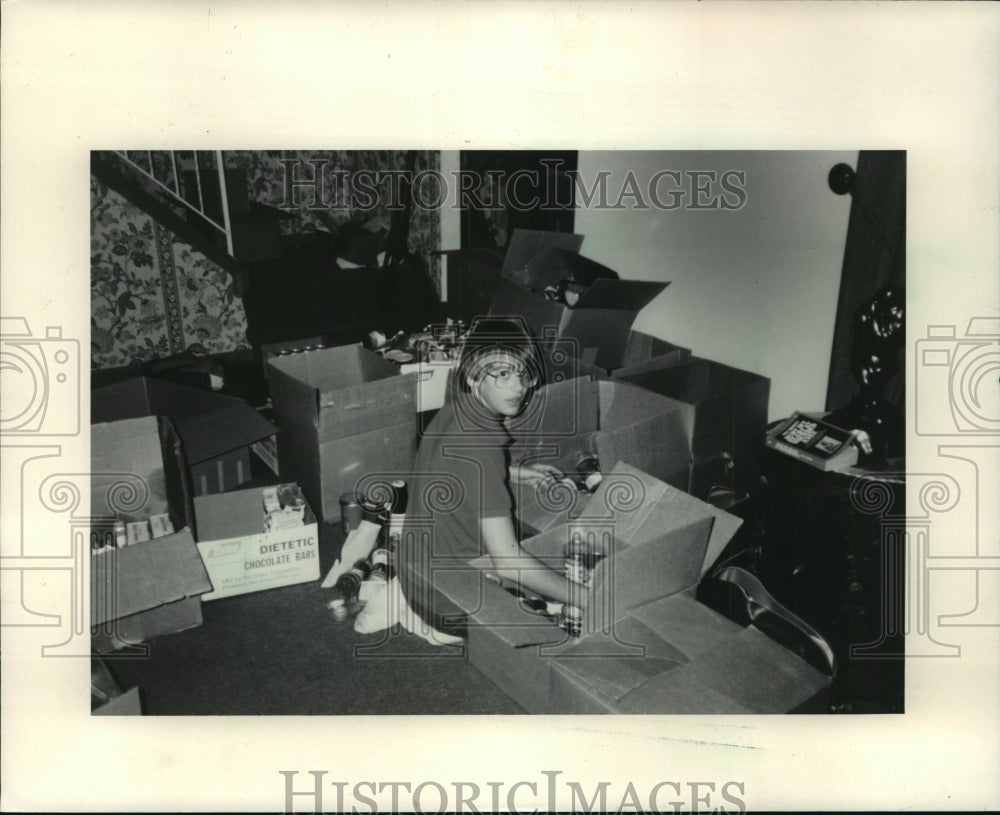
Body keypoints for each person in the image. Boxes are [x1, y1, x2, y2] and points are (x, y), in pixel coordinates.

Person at [354, 317, 584, 644]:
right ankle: (429, 626)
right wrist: (590, 599)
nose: (519, 387)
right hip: (450, 604)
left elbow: (448, 468)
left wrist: (512, 472)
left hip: (413, 574)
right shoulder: (483, 447)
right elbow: (508, 563)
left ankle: (405, 603)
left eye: (524, 373)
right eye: (503, 373)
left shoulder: (457, 409)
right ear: (475, 373)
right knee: (559, 608)